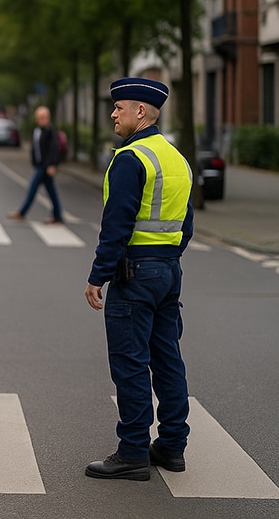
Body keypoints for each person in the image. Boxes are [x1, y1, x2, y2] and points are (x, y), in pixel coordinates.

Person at [84, 77, 194, 482]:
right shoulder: (176, 159)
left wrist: (98, 275)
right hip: (168, 271)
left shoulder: (131, 159)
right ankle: (172, 446)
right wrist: (167, 260)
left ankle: (132, 451)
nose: (114, 114)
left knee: (130, 363)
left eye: (120, 108)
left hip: (134, 273)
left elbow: (116, 226)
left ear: (141, 113)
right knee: (168, 359)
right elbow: (187, 224)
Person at [8, 106, 63, 224]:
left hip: (45, 167)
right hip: (39, 165)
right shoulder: (37, 131)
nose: (42, 119)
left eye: (44, 117)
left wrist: (52, 165)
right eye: (40, 117)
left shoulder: (50, 132)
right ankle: (58, 215)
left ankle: (22, 212)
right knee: (51, 192)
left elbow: (55, 149)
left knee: (32, 189)